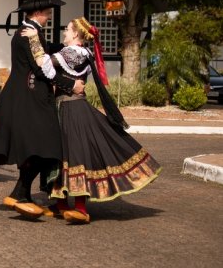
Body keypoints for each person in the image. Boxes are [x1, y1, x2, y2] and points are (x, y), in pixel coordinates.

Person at [16, 17, 161, 223]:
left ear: (76, 34)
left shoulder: (74, 52)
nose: (64, 33)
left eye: (67, 29)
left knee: (75, 154)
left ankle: (81, 208)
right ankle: (61, 203)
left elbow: (44, 67)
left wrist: (34, 40)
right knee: (61, 155)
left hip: (72, 109)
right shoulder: (79, 53)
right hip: (64, 107)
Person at [0, 0, 83, 217]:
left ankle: (22, 193)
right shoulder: (28, 35)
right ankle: (20, 193)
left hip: (26, 95)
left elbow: (44, 52)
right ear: (37, 13)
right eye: (47, 14)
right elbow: (42, 68)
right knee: (46, 145)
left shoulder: (30, 32)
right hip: (30, 97)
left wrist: (63, 48)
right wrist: (70, 84)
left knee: (36, 146)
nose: (48, 18)